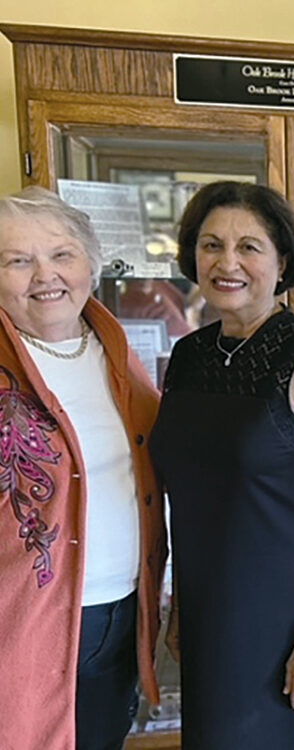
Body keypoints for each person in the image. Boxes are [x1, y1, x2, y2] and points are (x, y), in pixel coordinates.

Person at [149, 181, 294, 749]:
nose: (227, 262)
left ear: (283, 260)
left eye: (249, 246)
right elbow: (186, 494)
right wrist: (179, 607)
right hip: (207, 615)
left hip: (288, 620)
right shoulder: (189, 357)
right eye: (211, 244)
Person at [0, 186, 167, 750]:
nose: (44, 275)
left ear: (90, 266)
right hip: (20, 632)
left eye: (61, 255)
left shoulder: (118, 354)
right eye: (17, 260)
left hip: (120, 615)